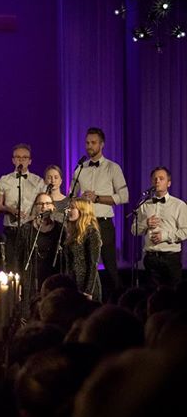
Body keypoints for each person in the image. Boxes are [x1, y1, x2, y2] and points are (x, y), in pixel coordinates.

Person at [71, 127, 128, 296]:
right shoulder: (80, 168)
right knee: (84, 265)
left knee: (110, 266)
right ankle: (87, 301)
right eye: (87, 142)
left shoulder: (113, 168)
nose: (89, 146)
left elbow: (124, 196)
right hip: (83, 223)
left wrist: (98, 198)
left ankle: (116, 304)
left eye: (93, 143)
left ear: (102, 144)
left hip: (103, 223)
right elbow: (71, 195)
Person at [131, 166, 187, 288]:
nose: (157, 181)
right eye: (154, 179)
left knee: (173, 294)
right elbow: (134, 230)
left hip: (170, 258)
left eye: (161, 178)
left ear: (169, 183)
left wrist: (165, 236)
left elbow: (185, 231)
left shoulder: (179, 205)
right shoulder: (144, 205)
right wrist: (146, 223)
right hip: (151, 258)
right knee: (151, 295)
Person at [0, 144, 46, 271]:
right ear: (13, 160)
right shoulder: (4, 180)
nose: (21, 160)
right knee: (12, 267)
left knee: (29, 268)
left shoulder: (38, 181)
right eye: (18, 157)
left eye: (24, 157)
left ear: (30, 161)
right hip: (11, 229)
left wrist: (33, 215)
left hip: (30, 229)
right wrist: (11, 210)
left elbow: (43, 204)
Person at [17, 193, 63, 307]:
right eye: (40, 204)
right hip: (32, 279)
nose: (44, 207)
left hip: (53, 278)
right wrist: (18, 283)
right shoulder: (26, 229)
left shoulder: (60, 229)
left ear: (53, 207)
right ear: (35, 207)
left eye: (48, 203)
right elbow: (18, 257)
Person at [64, 198, 102, 301]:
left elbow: (93, 264)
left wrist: (88, 291)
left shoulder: (92, 232)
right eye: (69, 208)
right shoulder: (72, 233)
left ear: (82, 211)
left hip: (87, 286)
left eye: (72, 208)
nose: (68, 211)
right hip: (74, 284)